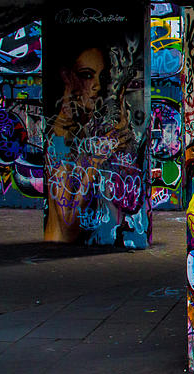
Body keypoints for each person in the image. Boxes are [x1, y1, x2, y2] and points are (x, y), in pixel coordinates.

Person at [44, 44, 135, 243]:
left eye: (100, 77)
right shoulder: (60, 138)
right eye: (87, 75)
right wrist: (95, 162)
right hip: (63, 251)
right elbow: (68, 227)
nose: (97, 86)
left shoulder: (81, 128)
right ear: (67, 77)